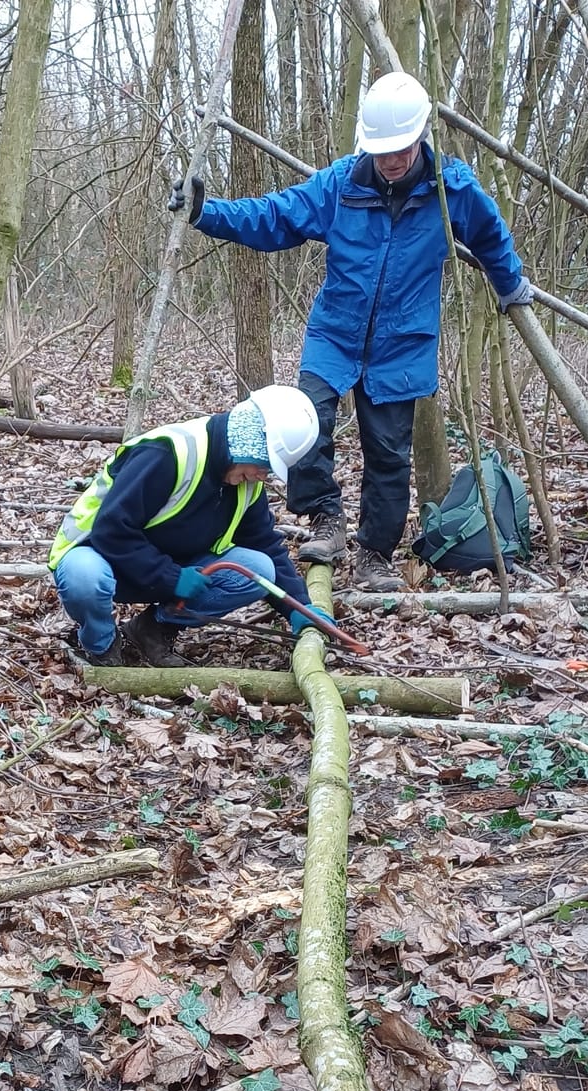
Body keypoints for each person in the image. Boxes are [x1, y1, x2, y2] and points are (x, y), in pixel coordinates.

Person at [170, 71, 534, 589]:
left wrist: (510, 284)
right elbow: (275, 217)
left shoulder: (451, 191)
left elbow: (491, 237)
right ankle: (325, 516)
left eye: (401, 150)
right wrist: (205, 213)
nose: (391, 161)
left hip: (403, 344)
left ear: (420, 137)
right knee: (305, 422)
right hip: (335, 334)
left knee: (388, 454)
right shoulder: (340, 185)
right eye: (382, 151)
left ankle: (374, 556)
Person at [49, 385, 321, 667]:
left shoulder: (245, 481)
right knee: (84, 577)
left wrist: (299, 607)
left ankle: (151, 631)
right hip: (101, 557)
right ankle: (101, 646)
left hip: (170, 572)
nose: (262, 476)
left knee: (259, 569)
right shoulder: (168, 453)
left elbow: (265, 544)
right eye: (264, 465)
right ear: (248, 442)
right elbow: (112, 529)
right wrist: (170, 576)